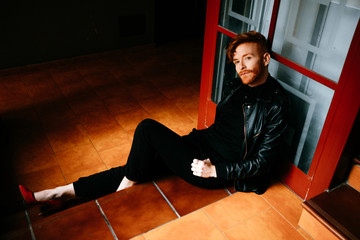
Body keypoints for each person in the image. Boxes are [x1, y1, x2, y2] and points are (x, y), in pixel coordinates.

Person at [19, 31, 288, 210]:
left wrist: (215, 170)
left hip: (214, 167)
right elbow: (222, 129)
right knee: (136, 165)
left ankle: (118, 192)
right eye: (236, 61)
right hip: (199, 145)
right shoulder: (235, 85)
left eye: (248, 58)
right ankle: (58, 194)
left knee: (147, 130)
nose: (240, 66)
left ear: (265, 59)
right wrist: (194, 142)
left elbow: (262, 163)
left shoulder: (276, 103)